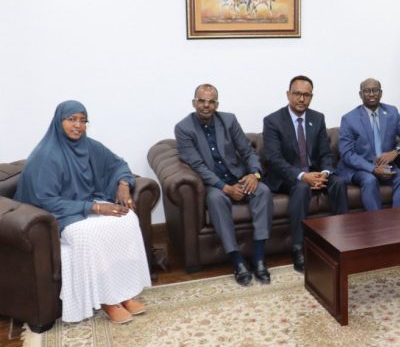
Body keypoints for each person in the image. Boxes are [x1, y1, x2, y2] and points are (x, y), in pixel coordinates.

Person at [14, 100, 150, 324]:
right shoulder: (46, 155)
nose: (77, 125)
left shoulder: (89, 146)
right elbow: (45, 200)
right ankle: (107, 300)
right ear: (59, 122)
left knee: (127, 219)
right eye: (71, 119)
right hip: (59, 214)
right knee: (88, 234)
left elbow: (118, 164)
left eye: (82, 120)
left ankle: (124, 292)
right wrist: (95, 207)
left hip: (85, 203)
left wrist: (124, 184)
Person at [175, 84, 273, 286]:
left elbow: (247, 151)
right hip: (214, 184)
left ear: (217, 105)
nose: (206, 105)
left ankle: (259, 258)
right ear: (194, 103)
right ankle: (237, 261)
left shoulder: (228, 120)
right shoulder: (183, 128)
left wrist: (254, 174)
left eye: (211, 101)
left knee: (263, 191)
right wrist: (224, 187)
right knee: (216, 199)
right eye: (202, 101)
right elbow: (198, 165)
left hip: (238, 176)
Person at [262, 75, 348, 272]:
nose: (301, 99)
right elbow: (274, 159)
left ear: (311, 97)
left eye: (306, 95)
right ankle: (299, 248)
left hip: (314, 172)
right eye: (297, 94)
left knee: (339, 182)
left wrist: (324, 173)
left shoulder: (317, 118)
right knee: (301, 187)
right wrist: (303, 176)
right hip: (286, 176)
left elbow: (325, 153)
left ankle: (342, 241)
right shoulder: (273, 121)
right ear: (288, 95)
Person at [337, 78, 400, 211]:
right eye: (367, 91)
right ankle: (377, 222)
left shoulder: (392, 112)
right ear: (360, 94)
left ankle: (397, 220)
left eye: (375, 90)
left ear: (381, 93)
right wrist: (373, 169)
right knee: (370, 180)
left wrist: (396, 152)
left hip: (386, 166)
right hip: (360, 169)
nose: (371, 94)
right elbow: (347, 154)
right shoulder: (349, 119)